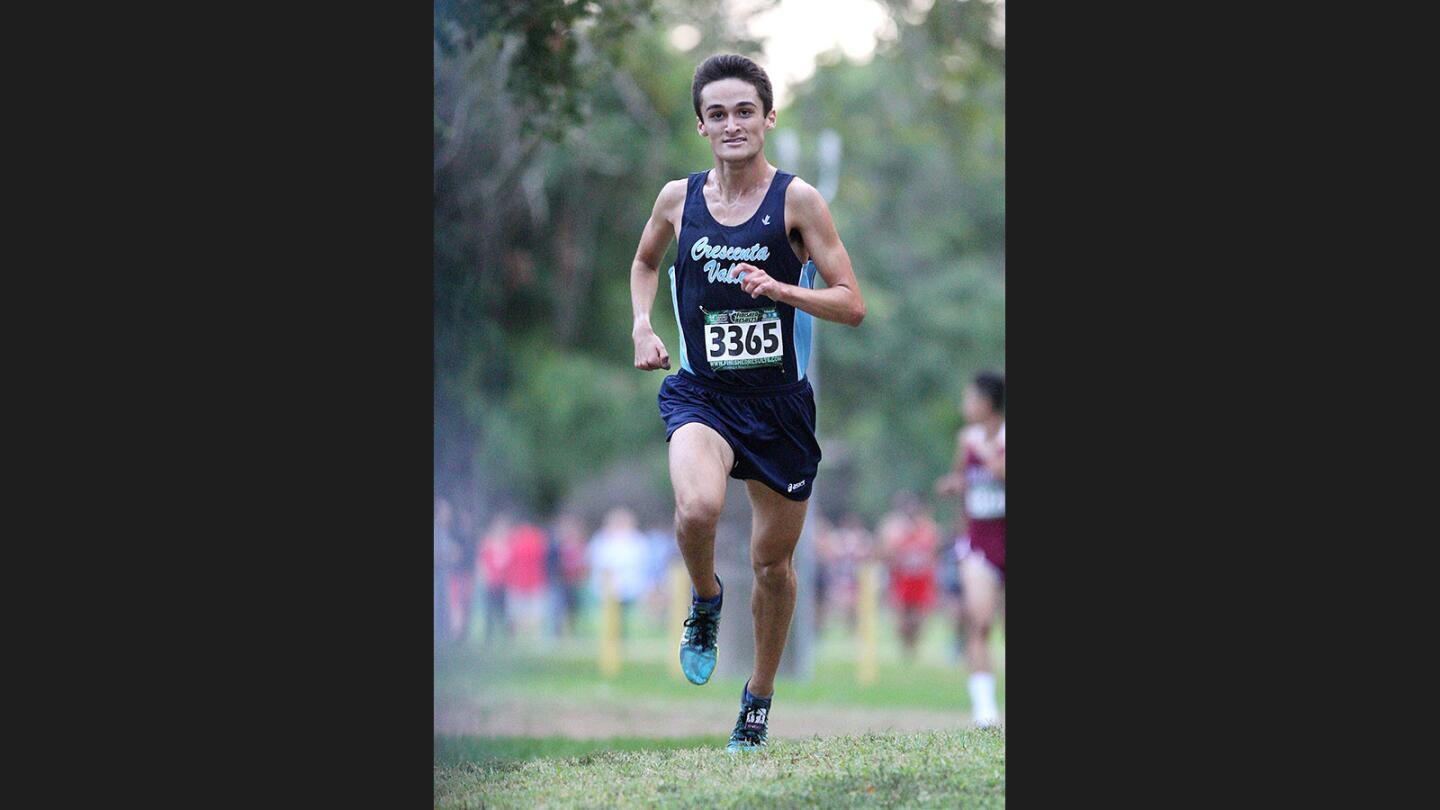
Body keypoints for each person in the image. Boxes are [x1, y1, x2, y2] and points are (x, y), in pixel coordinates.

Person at [628, 53, 866, 752]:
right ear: (701, 125)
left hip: (780, 406)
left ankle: (756, 701)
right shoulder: (678, 200)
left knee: (771, 565)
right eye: (717, 113)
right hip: (703, 393)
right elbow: (645, 263)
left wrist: (784, 288)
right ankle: (704, 598)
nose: (731, 123)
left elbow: (852, 304)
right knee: (697, 507)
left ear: (767, 117)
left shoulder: (798, 202)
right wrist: (642, 324)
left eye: (743, 110)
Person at [936, 371, 1006, 727]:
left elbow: (999, 470)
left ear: (987, 403)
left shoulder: (990, 439)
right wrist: (954, 485)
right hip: (980, 543)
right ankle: (984, 708)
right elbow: (966, 478)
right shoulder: (965, 441)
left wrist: (981, 448)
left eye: (970, 399)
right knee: (979, 620)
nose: (965, 406)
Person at [878, 491, 940, 663]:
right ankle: (905, 647)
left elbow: (934, 551)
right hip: (901, 578)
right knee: (902, 617)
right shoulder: (893, 527)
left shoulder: (928, 528)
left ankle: (914, 646)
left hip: (922, 579)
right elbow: (886, 552)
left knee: (919, 617)